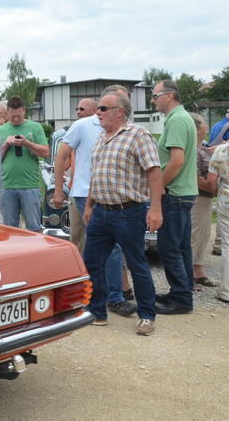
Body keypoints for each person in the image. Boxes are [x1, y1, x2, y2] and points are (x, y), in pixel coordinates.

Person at [82, 91, 162, 335]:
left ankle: (147, 315)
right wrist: (89, 205)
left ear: (120, 112)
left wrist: (156, 208)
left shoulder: (138, 135)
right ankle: (97, 312)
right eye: (98, 108)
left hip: (128, 212)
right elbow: (97, 176)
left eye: (104, 108)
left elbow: (154, 171)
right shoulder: (101, 138)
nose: (98, 112)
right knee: (92, 262)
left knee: (137, 264)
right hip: (101, 213)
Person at [53, 89, 136, 317]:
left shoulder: (126, 128)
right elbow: (62, 156)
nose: (102, 111)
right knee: (105, 247)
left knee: (100, 247)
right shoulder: (83, 125)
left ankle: (99, 295)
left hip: (113, 196)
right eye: (102, 106)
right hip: (84, 194)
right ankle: (110, 297)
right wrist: (59, 189)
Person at [151, 80, 198, 315]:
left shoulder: (177, 120)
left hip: (176, 193)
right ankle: (182, 291)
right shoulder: (182, 118)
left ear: (169, 96)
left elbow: (176, 160)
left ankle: (181, 298)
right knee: (181, 247)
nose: (153, 100)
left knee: (169, 247)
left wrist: (159, 185)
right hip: (184, 192)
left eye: (155, 95)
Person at [0, 95, 49, 231]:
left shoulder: (35, 127)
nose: (15, 119)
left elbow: (45, 153)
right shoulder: (0, 131)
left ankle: (35, 252)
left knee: (34, 227)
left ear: (24, 111)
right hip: (7, 186)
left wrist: (27, 143)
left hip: (29, 185)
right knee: (10, 228)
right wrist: (6, 144)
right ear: (7, 113)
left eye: (18, 116)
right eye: (12, 116)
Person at [189, 112, 217, 287]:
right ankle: (189, 274)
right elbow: (196, 178)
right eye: (203, 124)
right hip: (198, 198)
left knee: (204, 235)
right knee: (194, 235)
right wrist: (216, 188)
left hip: (206, 199)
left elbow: (211, 151)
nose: (206, 127)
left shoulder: (202, 147)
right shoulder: (193, 149)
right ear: (197, 128)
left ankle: (198, 270)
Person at [207, 140, 229, 304]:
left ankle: (227, 291)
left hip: (227, 198)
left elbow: (211, 180)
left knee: (228, 245)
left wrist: (217, 192)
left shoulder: (221, 150)